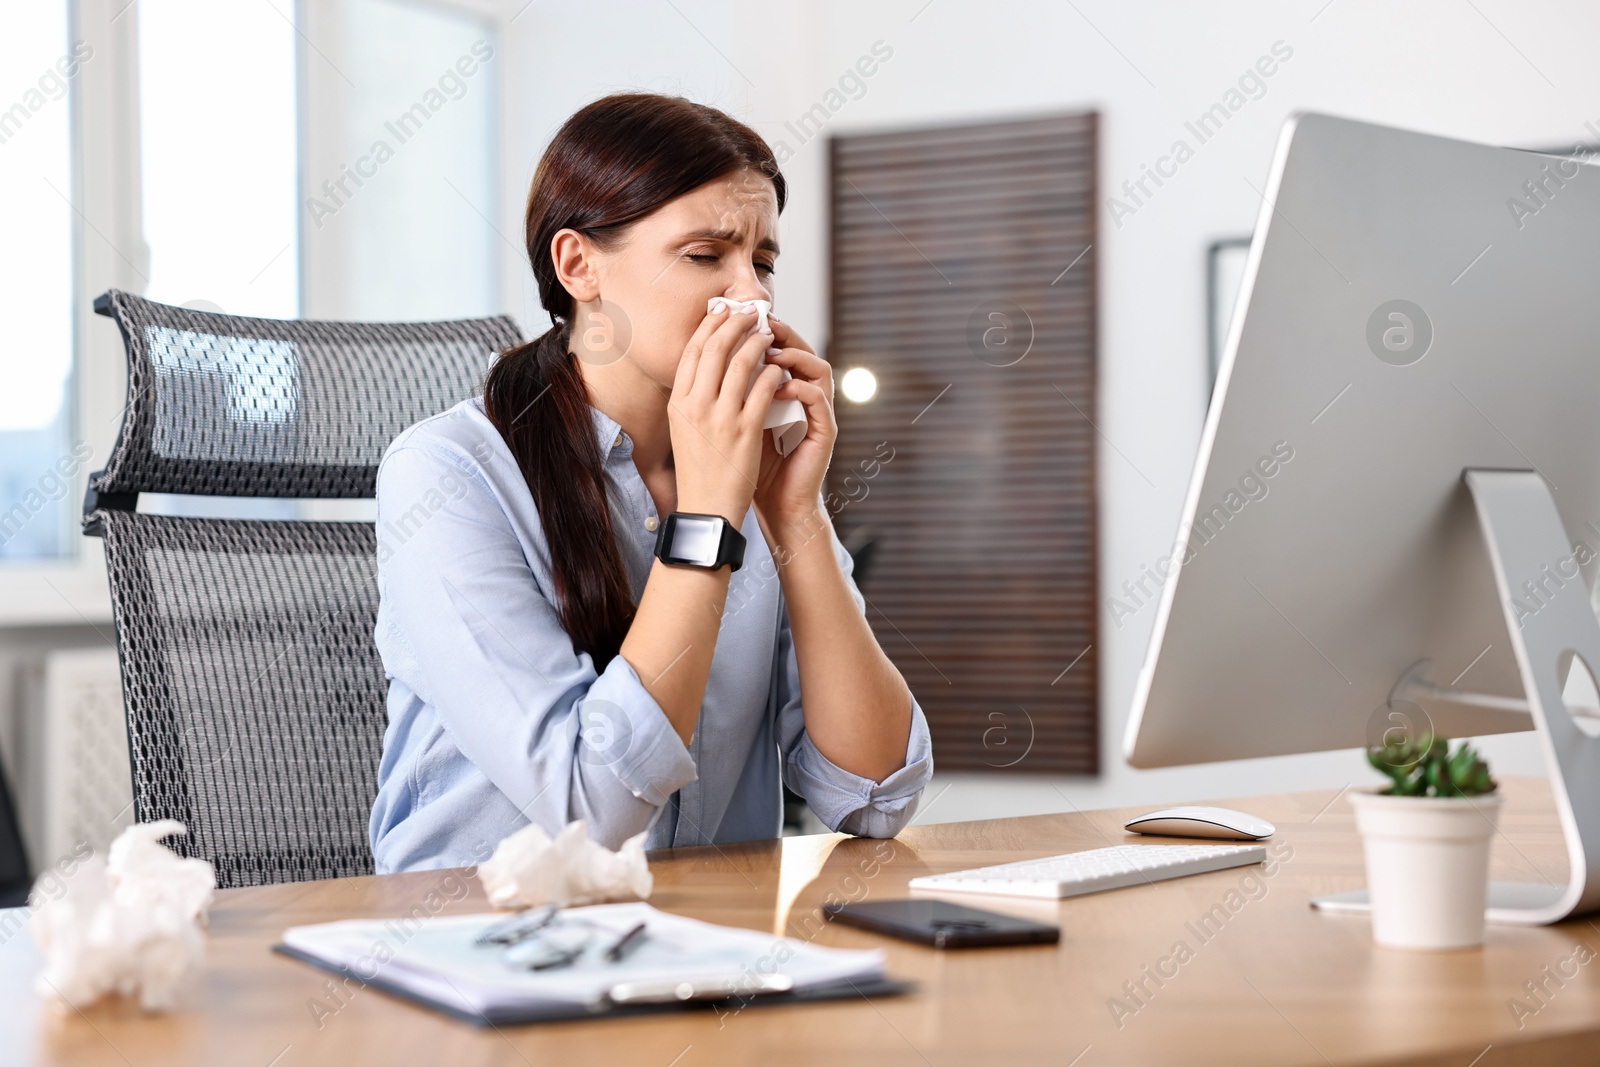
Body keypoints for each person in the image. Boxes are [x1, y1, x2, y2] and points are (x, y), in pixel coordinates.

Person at [368, 93, 933, 872]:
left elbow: (874, 797)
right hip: (477, 957)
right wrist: (707, 515)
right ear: (579, 266)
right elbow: (588, 810)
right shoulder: (446, 475)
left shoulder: (754, 474)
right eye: (707, 255)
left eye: (762, 262)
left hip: (706, 958)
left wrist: (795, 516)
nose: (755, 295)